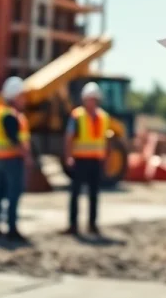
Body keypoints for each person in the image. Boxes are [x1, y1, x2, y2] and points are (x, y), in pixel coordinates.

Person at [62, 81, 109, 236]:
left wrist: (106, 158)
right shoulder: (77, 116)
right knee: (75, 193)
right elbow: (69, 137)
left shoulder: (103, 117)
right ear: (84, 99)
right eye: (89, 99)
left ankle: (92, 225)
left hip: (96, 161)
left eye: (94, 99)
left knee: (94, 194)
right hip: (80, 160)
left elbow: (105, 140)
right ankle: (73, 225)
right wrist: (68, 156)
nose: (91, 102)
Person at [0, 75, 32, 243]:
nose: (24, 99)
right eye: (22, 96)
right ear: (14, 96)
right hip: (11, 159)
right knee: (13, 194)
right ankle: (12, 229)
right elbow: (14, 139)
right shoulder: (10, 115)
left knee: (0, 193)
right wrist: (26, 156)